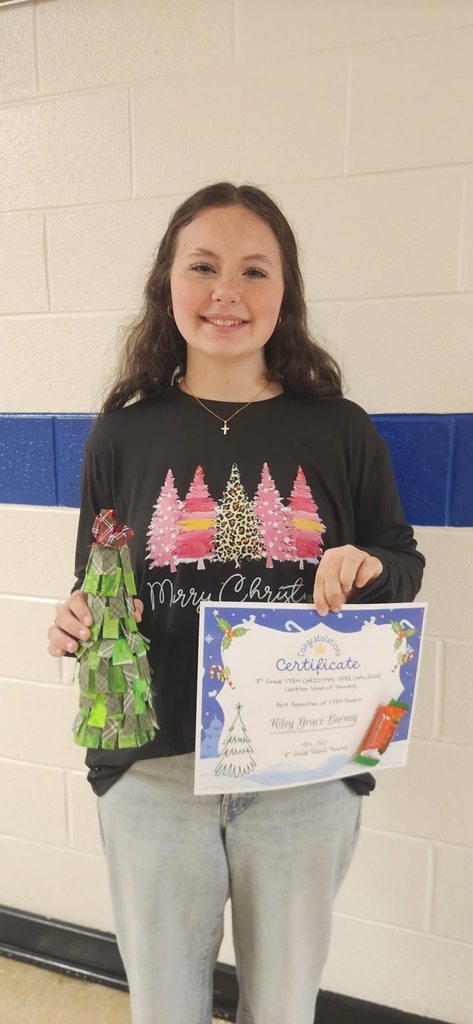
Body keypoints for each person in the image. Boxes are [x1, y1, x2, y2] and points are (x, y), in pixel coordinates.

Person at [47, 181, 425, 1024]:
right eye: (203, 267)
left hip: (301, 776)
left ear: (283, 291)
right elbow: (96, 580)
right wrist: (76, 618)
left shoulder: (339, 430)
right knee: (165, 1010)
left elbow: (402, 562)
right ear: (167, 285)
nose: (227, 292)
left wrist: (366, 565)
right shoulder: (124, 431)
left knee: (282, 1008)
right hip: (153, 772)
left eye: (254, 270)